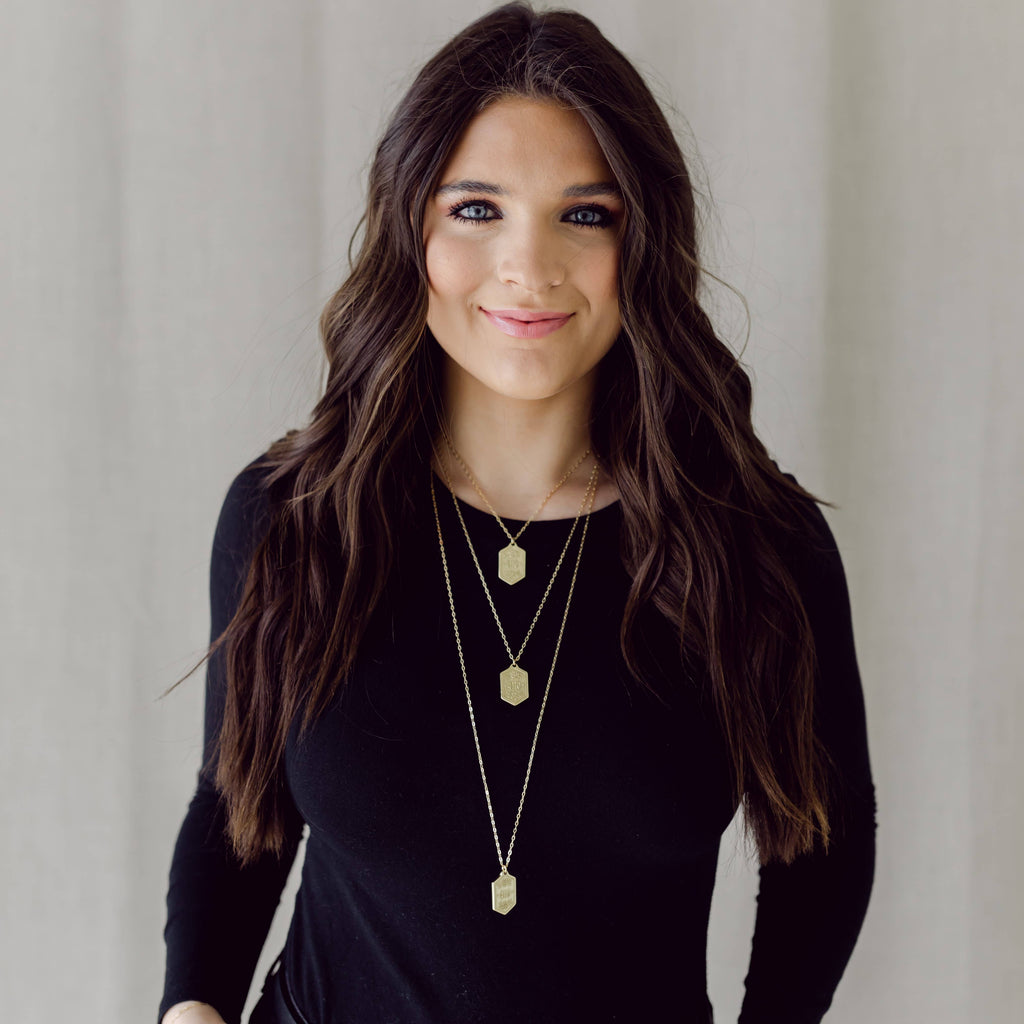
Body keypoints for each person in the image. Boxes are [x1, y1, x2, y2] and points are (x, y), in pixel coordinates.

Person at [158, 3, 876, 1023]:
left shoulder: (756, 549)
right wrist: (191, 1009)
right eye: (477, 209)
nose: (528, 267)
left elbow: (824, 847)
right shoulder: (293, 520)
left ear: (643, 236)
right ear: (412, 226)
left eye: (585, 215)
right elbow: (238, 813)